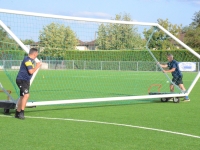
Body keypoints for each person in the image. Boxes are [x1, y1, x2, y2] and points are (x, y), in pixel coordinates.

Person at [15, 48, 42, 119]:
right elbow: (31, 71)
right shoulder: (27, 60)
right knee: (26, 95)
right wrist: (37, 66)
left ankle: (17, 112)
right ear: (35, 53)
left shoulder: (31, 60)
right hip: (21, 80)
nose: (37, 55)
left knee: (22, 96)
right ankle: (21, 113)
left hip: (26, 81)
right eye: (37, 53)